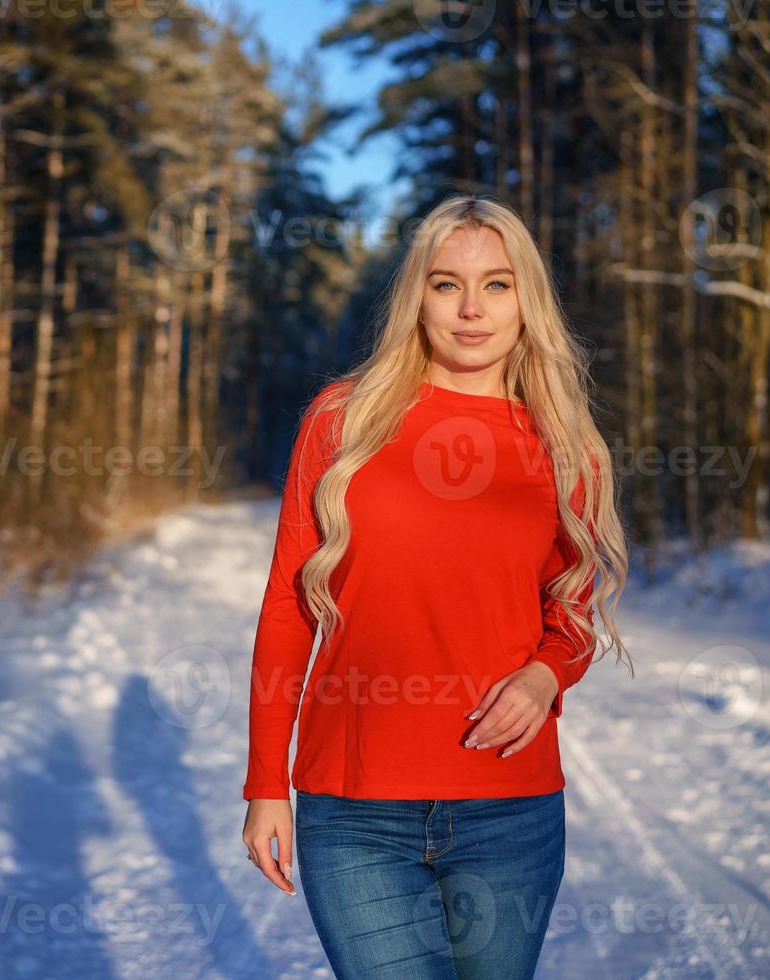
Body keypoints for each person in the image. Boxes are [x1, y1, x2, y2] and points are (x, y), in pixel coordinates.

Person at [240, 194, 630, 979]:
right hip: (352, 809)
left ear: (528, 301)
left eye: (496, 284)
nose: (470, 310)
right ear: (415, 296)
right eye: (446, 284)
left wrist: (544, 672)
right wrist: (264, 784)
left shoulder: (563, 445)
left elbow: (575, 609)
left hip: (507, 808)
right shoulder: (341, 421)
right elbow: (288, 603)